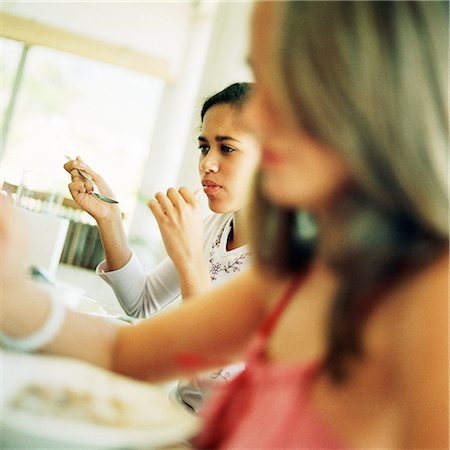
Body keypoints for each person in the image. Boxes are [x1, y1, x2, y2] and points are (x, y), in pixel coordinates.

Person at [1, 2, 448, 448]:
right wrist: (9, 291)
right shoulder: (294, 270)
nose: (253, 116)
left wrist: (189, 256)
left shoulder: (431, 296)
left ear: (374, 91)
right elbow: (122, 350)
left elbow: (203, 370)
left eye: (285, 77)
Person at [63, 82, 260, 412]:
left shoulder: (293, 259)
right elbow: (141, 302)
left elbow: (215, 379)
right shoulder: (213, 226)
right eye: (203, 147)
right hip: (177, 419)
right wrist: (109, 218)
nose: (207, 164)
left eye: (227, 149)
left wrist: (189, 257)